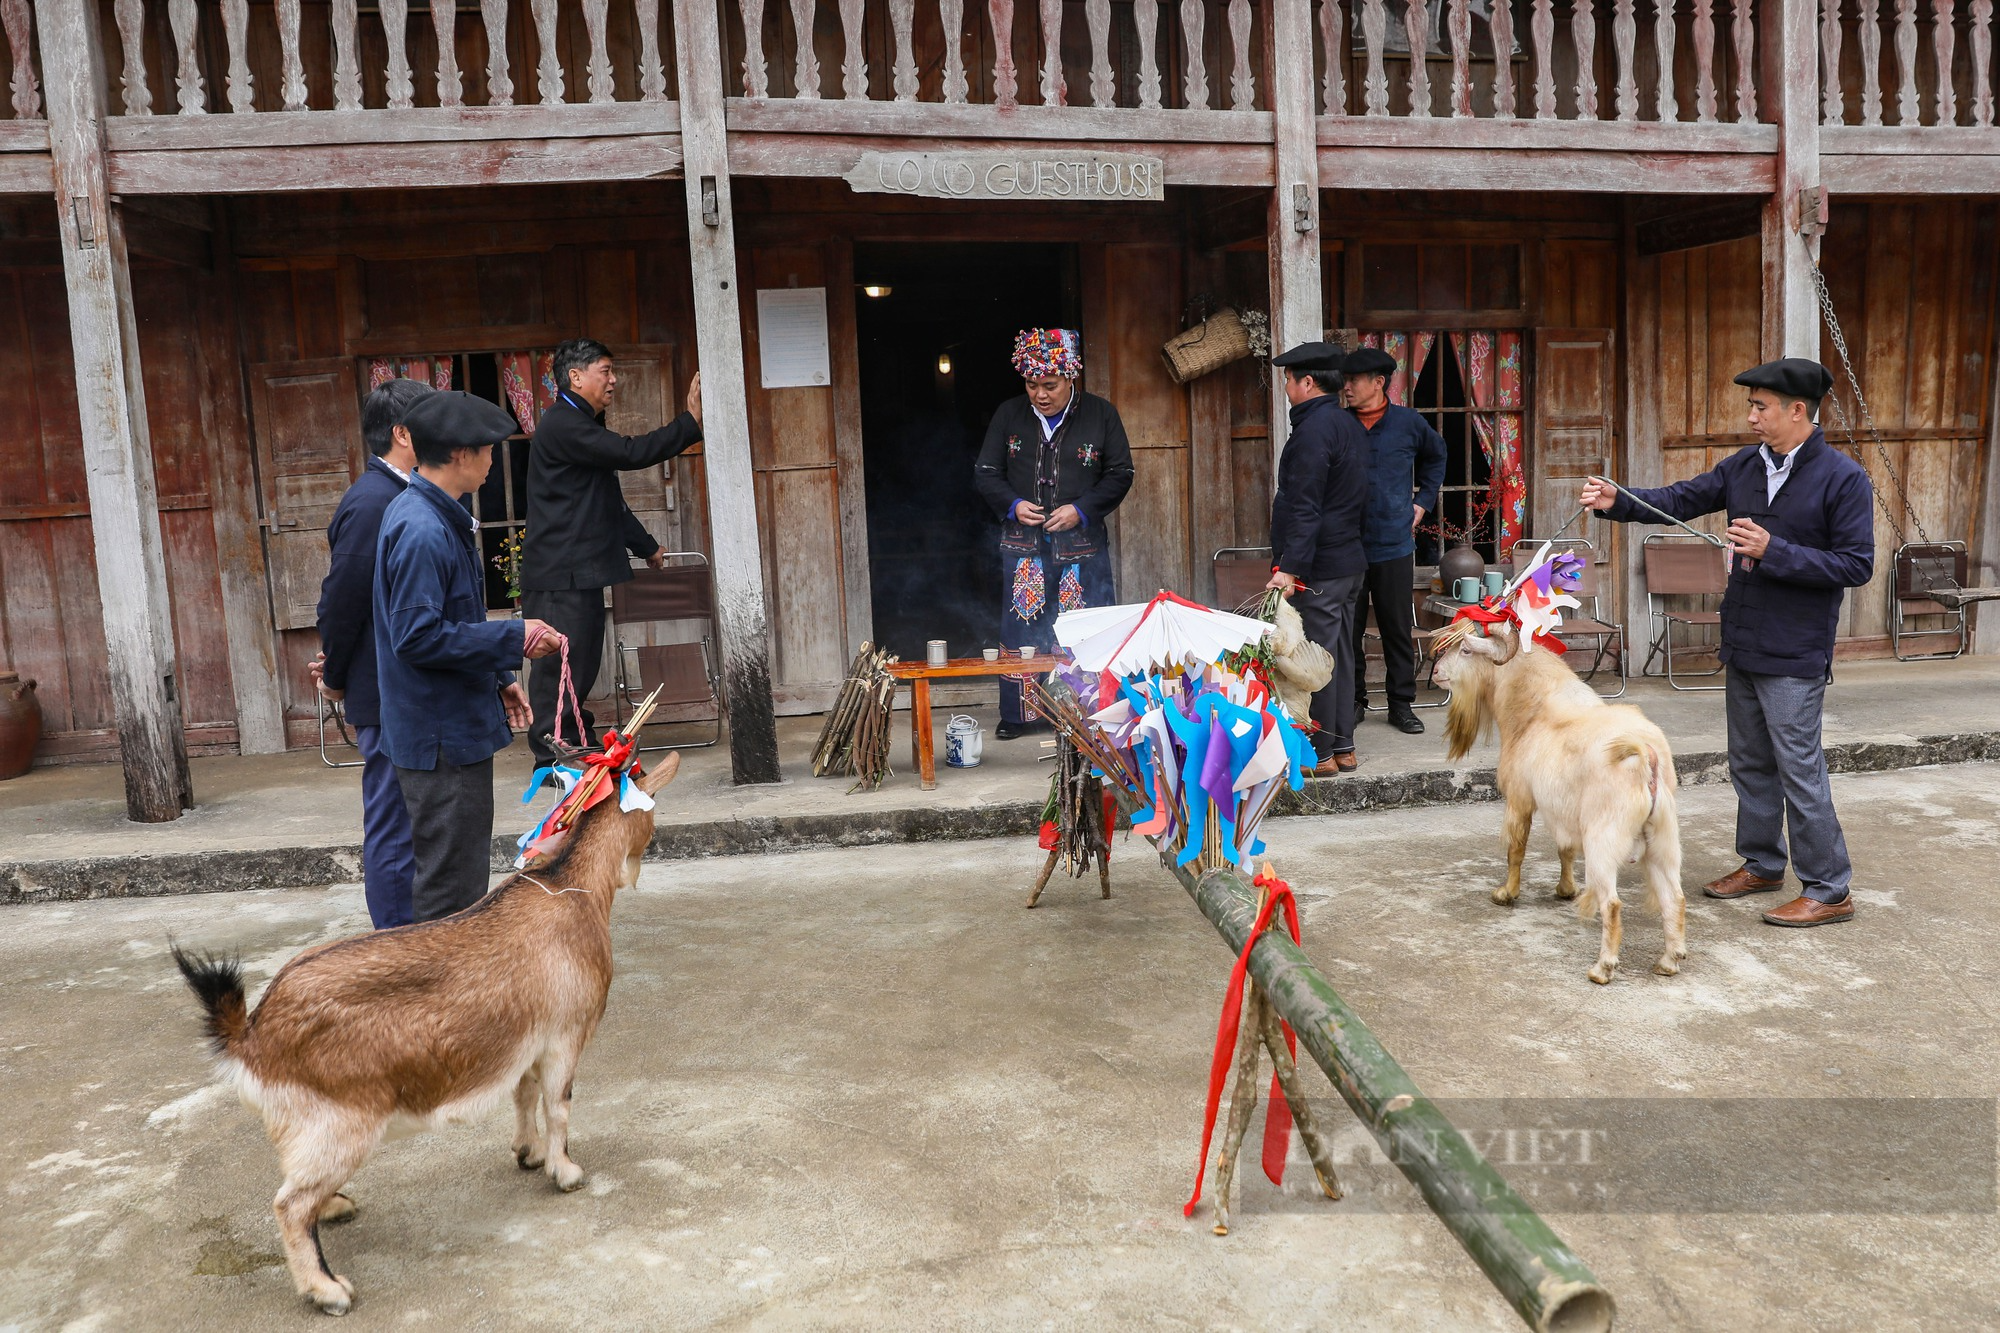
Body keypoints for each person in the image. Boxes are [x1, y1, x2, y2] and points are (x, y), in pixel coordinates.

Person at [1580, 357, 1874, 928]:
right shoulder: (1744, 466)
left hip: (1795, 648)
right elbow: (1681, 498)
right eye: (1752, 406)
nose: (1752, 417)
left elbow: (1856, 563)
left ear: (1798, 411)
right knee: (1749, 762)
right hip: (1743, 636)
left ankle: (1830, 888)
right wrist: (1618, 500)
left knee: (1798, 767)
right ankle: (1762, 862)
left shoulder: (1843, 477)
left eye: (1761, 407)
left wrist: (1775, 550)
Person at [377, 390, 564, 921]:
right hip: (440, 733)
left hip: (450, 718)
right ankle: (438, 1001)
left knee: (459, 876)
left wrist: (501, 673)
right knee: (449, 889)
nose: (491, 461)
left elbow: (455, 619)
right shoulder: (420, 528)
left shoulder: (437, 513)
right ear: (460, 454)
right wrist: (514, 636)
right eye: (486, 450)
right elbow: (415, 636)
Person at [523, 337, 703, 764]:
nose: (613, 380)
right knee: (558, 667)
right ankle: (549, 758)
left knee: (580, 665)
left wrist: (647, 546)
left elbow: (606, 500)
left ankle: (568, 741)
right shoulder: (563, 422)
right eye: (605, 371)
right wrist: (690, 422)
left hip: (577, 571)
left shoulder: (582, 421)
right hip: (557, 574)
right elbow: (629, 453)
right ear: (575, 376)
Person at [312, 378, 433, 928]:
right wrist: (335, 676)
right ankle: (393, 941)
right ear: (404, 435)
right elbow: (342, 602)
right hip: (380, 689)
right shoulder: (371, 502)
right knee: (393, 819)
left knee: (415, 820)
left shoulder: (409, 495)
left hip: (405, 689)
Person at [974, 328, 1136, 739]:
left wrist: (1080, 510)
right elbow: (987, 472)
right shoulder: (1008, 415)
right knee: (1023, 627)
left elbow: (1121, 473)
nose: (1040, 394)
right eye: (1032, 385)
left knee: (1082, 629)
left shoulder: (1101, 414)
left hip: (1081, 548)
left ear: (1071, 377)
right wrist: (1013, 505)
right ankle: (1019, 715)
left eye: (1050, 385)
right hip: (1024, 544)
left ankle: (1088, 714)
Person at [1266, 342, 1370, 776]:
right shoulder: (1348, 425)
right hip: (1348, 560)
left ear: (1307, 382)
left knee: (1315, 656)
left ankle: (1321, 754)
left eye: (1288, 380)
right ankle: (1342, 748)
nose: (1286, 388)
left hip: (1321, 566)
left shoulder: (1313, 432)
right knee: (1340, 653)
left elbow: (1306, 507)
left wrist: (1289, 567)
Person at [1341, 346, 1447, 736]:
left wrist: (1422, 502)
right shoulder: (1339, 424)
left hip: (1393, 543)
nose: (1346, 388)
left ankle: (1400, 705)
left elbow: (1438, 456)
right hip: (1346, 545)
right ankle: (1353, 701)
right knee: (1347, 628)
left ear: (1379, 383)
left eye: (1353, 381)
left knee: (1396, 627)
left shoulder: (1408, 423)